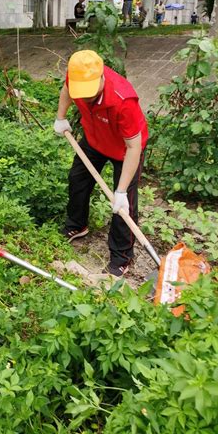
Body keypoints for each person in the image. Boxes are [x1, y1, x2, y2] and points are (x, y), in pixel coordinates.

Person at [54, 50, 148, 277]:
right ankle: (77, 225)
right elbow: (67, 90)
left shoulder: (123, 100)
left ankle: (121, 257)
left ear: (101, 78)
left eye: (89, 93)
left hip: (125, 151)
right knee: (78, 179)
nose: (84, 98)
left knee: (124, 207)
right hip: (95, 139)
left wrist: (122, 191)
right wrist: (61, 117)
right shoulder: (75, 78)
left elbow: (134, 147)